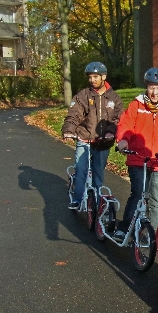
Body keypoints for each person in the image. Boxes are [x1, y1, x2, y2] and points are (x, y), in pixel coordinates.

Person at [112, 68, 158, 240]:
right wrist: (123, 140)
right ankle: (124, 228)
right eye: (152, 88)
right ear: (147, 87)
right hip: (138, 158)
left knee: (155, 196)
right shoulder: (137, 105)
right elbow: (126, 124)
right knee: (138, 193)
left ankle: (157, 235)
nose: (155, 92)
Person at [62, 62, 124, 209]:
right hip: (84, 138)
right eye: (90, 77)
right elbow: (74, 115)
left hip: (103, 142)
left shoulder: (114, 98)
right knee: (81, 169)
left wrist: (111, 132)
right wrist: (69, 130)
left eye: (96, 77)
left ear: (104, 76)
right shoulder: (83, 96)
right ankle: (77, 199)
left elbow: (118, 119)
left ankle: (96, 201)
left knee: (98, 174)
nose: (92, 80)